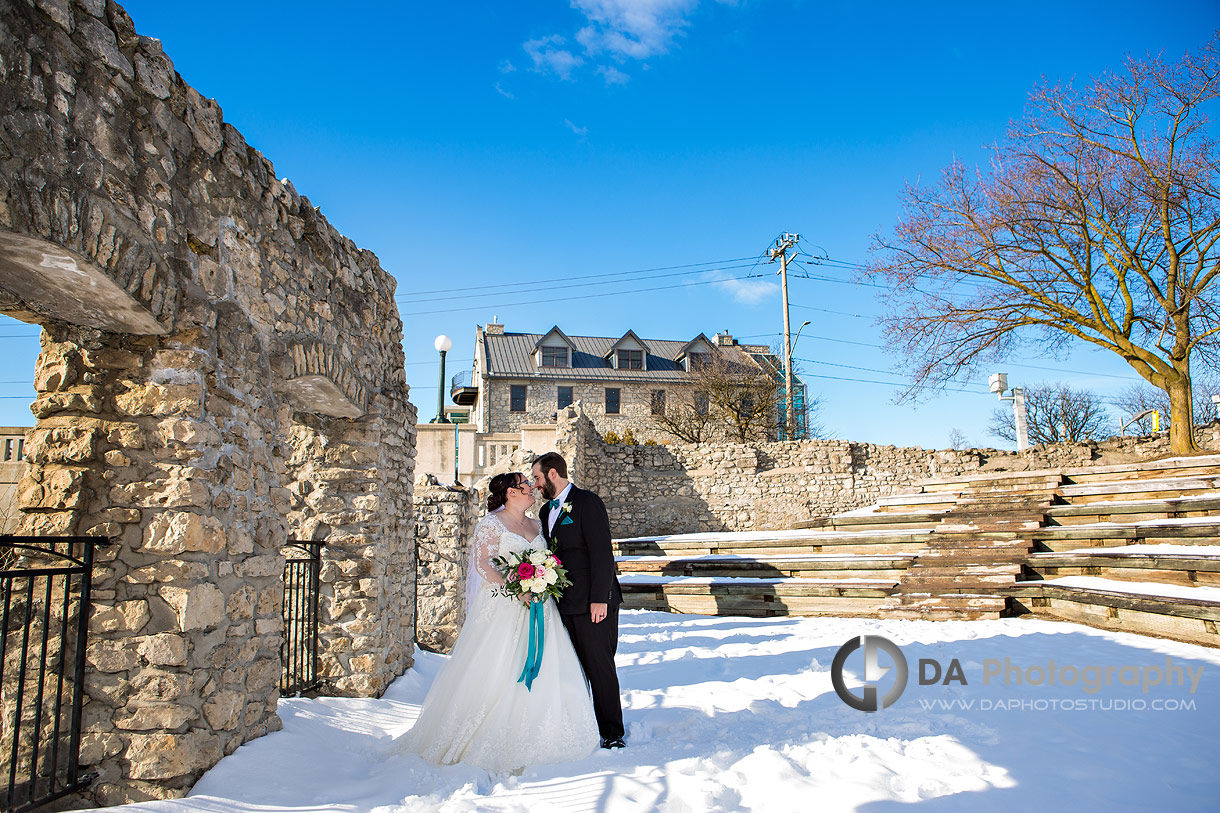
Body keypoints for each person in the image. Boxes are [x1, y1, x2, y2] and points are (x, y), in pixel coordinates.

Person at [396, 472, 598, 772]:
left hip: (540, 608)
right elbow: (484, 564)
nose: (532, 488)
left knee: (548, 667)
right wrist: (517, 586)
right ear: (511, 492)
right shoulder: (491, 524)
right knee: (499, 667)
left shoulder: (537, 523)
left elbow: (548, 559)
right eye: (526, 485)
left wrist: (542, 580)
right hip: (505, 606)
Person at [531, 452, 626, 749]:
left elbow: (602, 553)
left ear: (553, 475)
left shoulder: (588, 503)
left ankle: (612, 733)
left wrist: (601, 599)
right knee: (573, 668)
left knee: (600, 667)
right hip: (563, 603)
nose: (535, 484)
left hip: (594, 603)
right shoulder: (546, 512)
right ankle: (583, 726)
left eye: (537, 478)